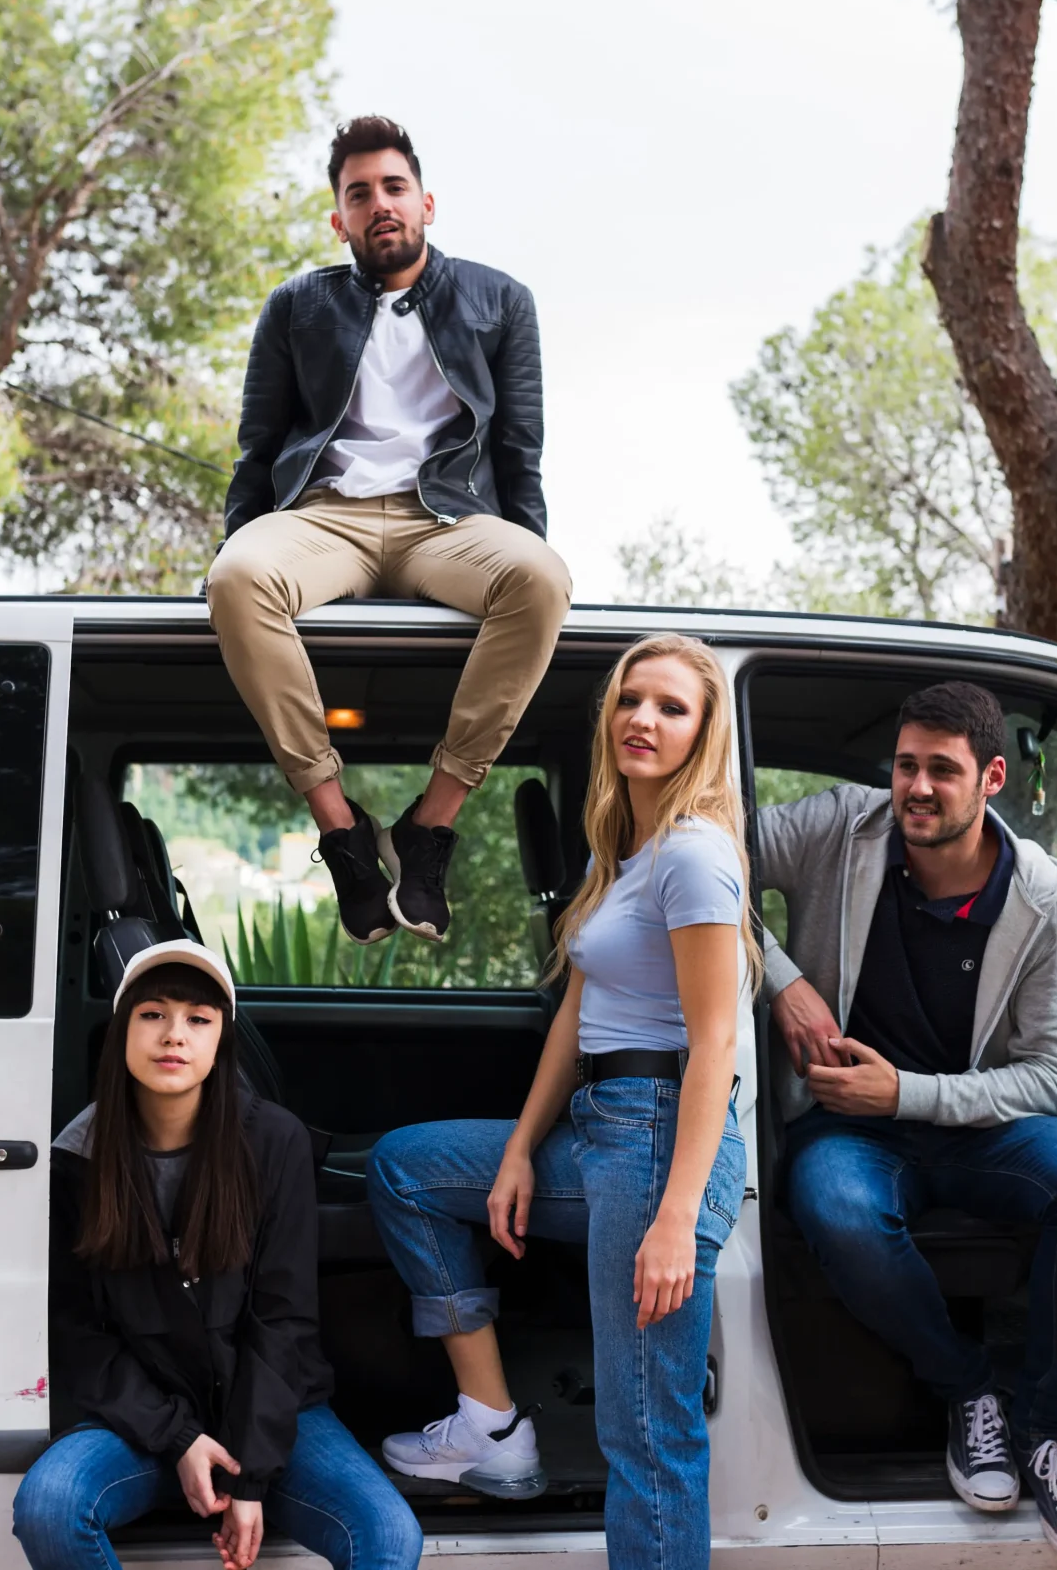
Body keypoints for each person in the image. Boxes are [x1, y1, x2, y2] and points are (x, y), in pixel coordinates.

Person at [365, 634, 751, 1570]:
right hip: (605, 1127)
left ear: (704, 734)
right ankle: (489, 1422)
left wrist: (673, 1218)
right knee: (408, 1168)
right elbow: (577, 1016)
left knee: (648, 1437)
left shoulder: (694, 856)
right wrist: (517, 1150)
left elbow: (714, 1045)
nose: (642, 720)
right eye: (630, 700)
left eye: (670, 707)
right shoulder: (625, 849)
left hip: (662, 1140)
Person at [759, 682, 1057, 1567]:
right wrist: (784, 979)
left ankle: (1044, 1435)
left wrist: (908, 1094)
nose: (916, 788)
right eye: (905, 765)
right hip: (843, 1127)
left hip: (970, 1124)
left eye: (942, 770)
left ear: (991, 777)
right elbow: (694, 863)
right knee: (840, 1208)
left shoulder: (1045, 899)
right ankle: (971, 1392)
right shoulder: (836, 827)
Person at [207, 114, 570, 950]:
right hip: (325, 518)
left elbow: (521, 452)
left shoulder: (500, 300)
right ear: (339, 219)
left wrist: (527, 557)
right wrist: (237, 545)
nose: (379, 205)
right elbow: (257, 451)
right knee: (235, 578)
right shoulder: (296, 306)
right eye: (358, 193)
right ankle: (341, 830)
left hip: (446, 519)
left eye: (393, 188)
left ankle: (429, 826)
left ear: (427, 203)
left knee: (543, 577)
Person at [13, 934, 422, 1570]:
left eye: (197, 1020)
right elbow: (77, 1334)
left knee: (390, 1536)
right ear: (121, 1032)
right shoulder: (78, 1157)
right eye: (152, 1016)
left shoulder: (272, 1140)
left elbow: (282, 1319)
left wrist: (251, 1477)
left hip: (273, 1412)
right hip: (145, 1418)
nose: (174, 1035)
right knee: (49, 1503)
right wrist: (177, 1437)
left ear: (220, 1041)